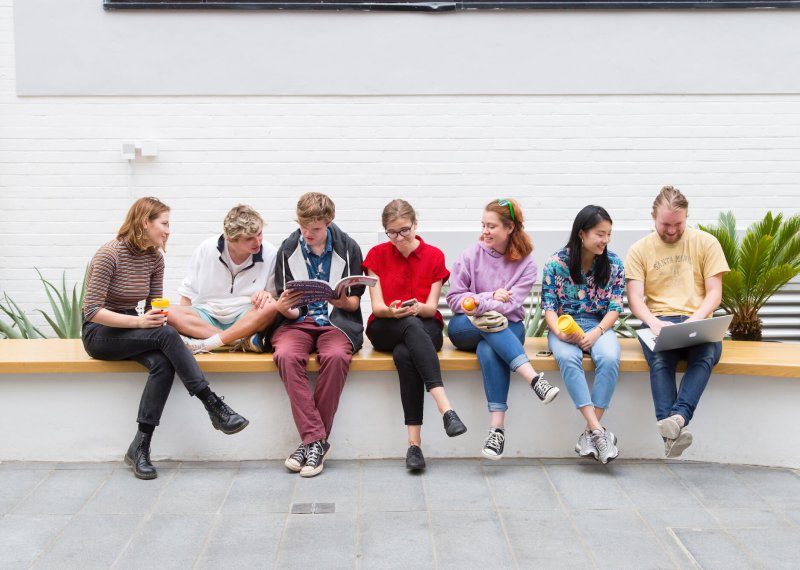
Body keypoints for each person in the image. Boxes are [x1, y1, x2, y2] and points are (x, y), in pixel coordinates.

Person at [81, 197, 249, 480]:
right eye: (165, 223)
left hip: (131, 329)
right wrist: (139, 322)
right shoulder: (108, 254)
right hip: (100, 333)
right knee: (167, 336)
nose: (168, 230)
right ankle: (213, 404)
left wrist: (152, 321)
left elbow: (152, 311)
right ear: (145, 222)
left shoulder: (154, 258)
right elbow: (93, 310)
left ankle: (140, 447)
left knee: (164, 362)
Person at [447, 198, 559, 460]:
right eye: (483, 225)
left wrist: (477, 301)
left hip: (509, 326)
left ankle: (496, 431)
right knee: (488, 324)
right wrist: (491, 297)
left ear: (509, 228)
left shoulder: (527, 264)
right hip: (466, 327)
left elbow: (511, 307)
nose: (485, 231)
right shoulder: (469, 255)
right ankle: (534, 379)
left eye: (492, 226)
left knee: (489, 348)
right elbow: (455, 300)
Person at [363, 199, 467, 471]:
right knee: (408, 325)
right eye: (391, 232)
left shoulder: (434, 256)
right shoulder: (376, 255)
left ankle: (414, 447)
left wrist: (418, 308)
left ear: (415, 224)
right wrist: (393, 310)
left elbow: (432, 307)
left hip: (424, 325)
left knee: (405, 352)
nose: (398, 238)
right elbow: (377, 307)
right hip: (385, 326)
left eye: (404, 231)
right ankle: (446, 408)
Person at [266, 192, 366, 478]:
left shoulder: (349, 248)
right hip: (298, 322)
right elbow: (289, 308)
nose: (308, 233)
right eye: (303, 227)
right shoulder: (288, 248)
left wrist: (337, 300)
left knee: (335, 356)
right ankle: (316, 441)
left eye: (316, 229)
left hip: (337, 322)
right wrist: (283, 308)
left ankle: (310, 444)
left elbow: (354, 304)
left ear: (329, 222)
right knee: (285, 354)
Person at [626, 186, 730, 458]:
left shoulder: (706, 243)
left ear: (687, 217)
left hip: (697, 319)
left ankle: (675, 423)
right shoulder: (639, 250)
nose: (671, 230)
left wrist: (695, 320)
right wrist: (653, 322)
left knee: (706, 354)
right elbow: (635, 299)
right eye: (665, 224)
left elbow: (714, 293)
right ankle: (676, 426)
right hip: (659, 321)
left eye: (678, 224)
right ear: (653, 217)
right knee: (661, 359)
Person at [541, 205, 625, 464]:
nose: (605, 240)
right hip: (564, 325)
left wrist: (598, 332)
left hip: (599, 324)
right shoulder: (556, 263)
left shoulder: (614, 263)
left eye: (609, 234)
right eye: (600, 234)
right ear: (581, 233)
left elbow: (615, 308)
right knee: (568, 359)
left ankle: (591, 433)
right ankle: (598, 432)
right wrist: (559, 332)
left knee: (609, 358)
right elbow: (549, 308)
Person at [167, 204, 279, 354]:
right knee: (168, 313)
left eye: (259, 234)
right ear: (231, 238)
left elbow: (275, 297)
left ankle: (207, 343)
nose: (257, 242)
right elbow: (187, 293)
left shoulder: (270, 252)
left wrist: (267, 295)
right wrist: (183, 326)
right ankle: (238, 341)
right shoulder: (206, 248)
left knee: (271, 307)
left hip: (246, 317)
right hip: (207, 315)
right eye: (249, 238)